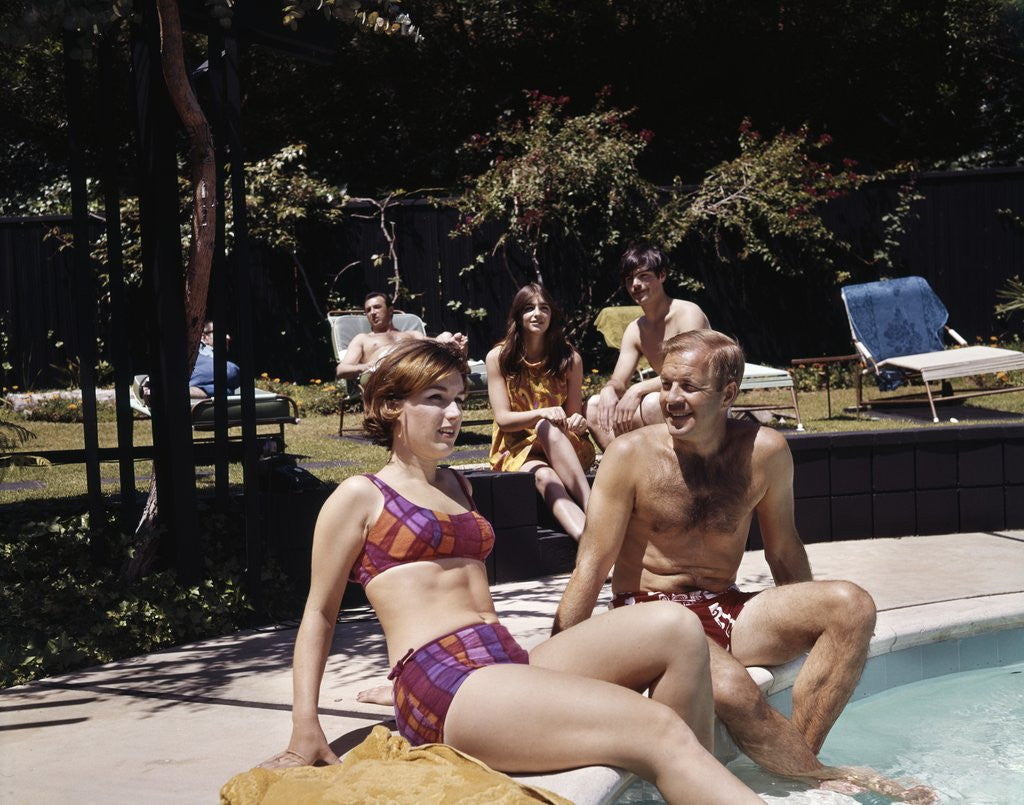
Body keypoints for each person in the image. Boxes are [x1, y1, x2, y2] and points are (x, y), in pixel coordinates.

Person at [258, 339, 759, 805]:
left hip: (504, 661)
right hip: (442, 679)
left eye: (457, 398)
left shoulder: (459, 486)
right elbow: (320, 614)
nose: (453, 413)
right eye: (436, 399)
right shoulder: (360, 496)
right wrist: (307, 725)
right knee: (656, 728)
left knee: (676, 628)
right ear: (392, 407)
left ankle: (691, 783)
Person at [556, 330, 933, 802]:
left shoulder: (765, 452)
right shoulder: (629, 456)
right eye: (665, 383)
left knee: (851, 606)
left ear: (728, 393)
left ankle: (797, 766)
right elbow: (591, 566)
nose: (671, 398)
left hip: (722, 606)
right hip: (651, 615)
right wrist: (556, 665)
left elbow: (784, 550)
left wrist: (804, 617)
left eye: (688, 387)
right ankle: (816, 777)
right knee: (733, 688)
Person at [485, 284, 595, 541]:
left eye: (544, 308)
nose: (537, 314)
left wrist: (578, 421)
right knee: (545, 478)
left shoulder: (570, 359)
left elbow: (571, 417)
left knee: (547, 428)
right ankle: (589, 539)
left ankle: (593, 509)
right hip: (517, 449)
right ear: (518, 316)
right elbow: (503, 420)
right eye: (529, 308)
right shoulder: (498, 358)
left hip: (562, 445)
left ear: (552, 315)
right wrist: (543, 414)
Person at [586, 243, 709, 450]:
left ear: (662, 275)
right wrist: (609, 389)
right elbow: (618, 380)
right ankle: (625, 471)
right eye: (629, 279)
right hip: (669, 398)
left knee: (653, 402)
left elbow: (689, 374)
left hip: (702, 402)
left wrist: (637, 389)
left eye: (643, 276)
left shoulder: (688, 314)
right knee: (594, 406)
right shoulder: (636, 329)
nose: (635, 284)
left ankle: (673, 473)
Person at [335, 291, 468, 384]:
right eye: (368, 310)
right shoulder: (363, 339)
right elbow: (341, 370)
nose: (372, 313)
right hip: (385, 373)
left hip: (416, 369)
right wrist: (366, 366)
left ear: (390, 310)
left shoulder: (411, 335)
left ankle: (458, 356)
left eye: (376, 307)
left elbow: (434, 344)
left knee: (446, 337)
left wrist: (448, 341)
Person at [189, 320, 240, 399]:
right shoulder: (197, 356)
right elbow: (231, 371)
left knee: (228, 390)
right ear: (203, 337)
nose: (228, 337)